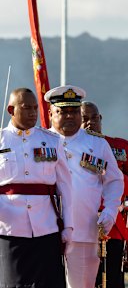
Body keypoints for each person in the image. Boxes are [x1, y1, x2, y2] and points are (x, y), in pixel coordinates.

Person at [46, 85, 124, 288]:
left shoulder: (97, 144)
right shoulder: (40, 141)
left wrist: (110, 210)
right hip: (44, 229)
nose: (70, 116)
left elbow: (114, 180)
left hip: (85, 228)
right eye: (63, 111)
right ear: (51, 113)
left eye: (74, 111)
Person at [0, 88, 73, 288]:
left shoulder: (52, 140)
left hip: (46, 226)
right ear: (11, 110)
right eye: (26, 108)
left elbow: (66, 188)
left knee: (49, 283)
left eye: (35, 108)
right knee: (12, 284)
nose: (33, 113)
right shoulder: (1, 139)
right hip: (8, 228)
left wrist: (69, 226)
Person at [81, 101, 128, 288]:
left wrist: (112, 171)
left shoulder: (120, 146)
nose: (90, 123)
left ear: (100, 119)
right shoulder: (70, 147)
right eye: (84, 119)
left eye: (94, 118)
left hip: (112, 225)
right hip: (81, 221)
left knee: (113, 279)